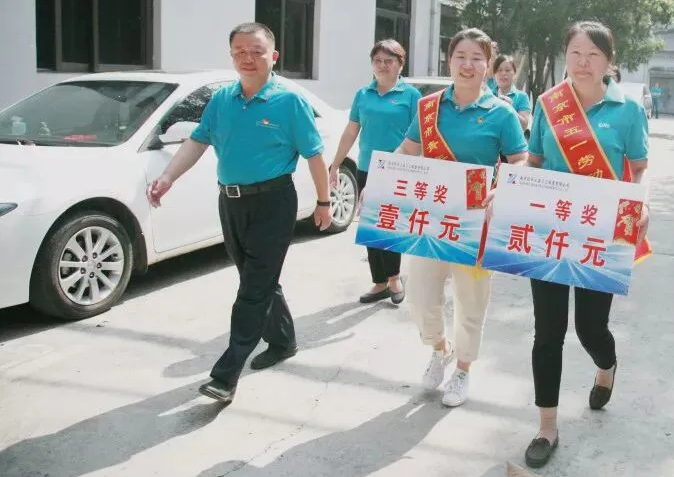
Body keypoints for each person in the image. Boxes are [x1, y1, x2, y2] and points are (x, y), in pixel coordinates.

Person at [147, 23, 331, 403]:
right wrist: (167, 177)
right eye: (240, 51)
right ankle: (283, 341)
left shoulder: (289, 102)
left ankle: (226, 375)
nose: (248, 58)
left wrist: (324, 203)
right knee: (258, 279)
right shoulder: (222, 100)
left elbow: (314, 156)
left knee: (252, 290)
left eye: (257, 51)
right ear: (231, 56)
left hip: (273, 203)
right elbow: (197, 142)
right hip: (230, 202)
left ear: (273, 56)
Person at [522, 21, 650, 469]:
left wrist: (642, 205)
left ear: (609, 62)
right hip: (550, 230)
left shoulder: (628, 110)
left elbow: (638, 168)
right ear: (565, 56)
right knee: (548, 332)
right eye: (575, 52)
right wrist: (510, 189)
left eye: (593, 54)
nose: (583, 62)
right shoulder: (549, 104)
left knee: (590, 329)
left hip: (600, 232)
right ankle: (546, 427)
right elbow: (534, 161)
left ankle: (606, 366)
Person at [395, 27, 528, 408]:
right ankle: (440, 348)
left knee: (471, 301)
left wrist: (504, 187)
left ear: (488, 65)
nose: (467, 65)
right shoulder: (428, 107)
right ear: (449, 60)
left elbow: (519, 159)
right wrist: (381, 180)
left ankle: (463, 370)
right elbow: (408, 150)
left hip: (476, 221)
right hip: (432, 218)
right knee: (420, 296)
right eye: (460, 57)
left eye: (476, 58)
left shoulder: (502, 113)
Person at [329, 39, 420, 305]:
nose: (382, 66)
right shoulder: (363, 94)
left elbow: (420, 136)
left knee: (389, 224)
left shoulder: (411, 96)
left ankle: (394, 278)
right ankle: (379, 282)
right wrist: (335, 164)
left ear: (400, 64)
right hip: (367, 168)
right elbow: (351, 131)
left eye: (389, 61)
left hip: (398, 170)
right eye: (377, 61)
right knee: (369, 226)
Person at [492, 54, 532, 134]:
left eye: (507, 70)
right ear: (494, 74)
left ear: (515, 73)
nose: (503, 73)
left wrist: (510, 108)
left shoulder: (522, 97)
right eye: (499, 70)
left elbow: (524, 125)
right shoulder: (488, 96)